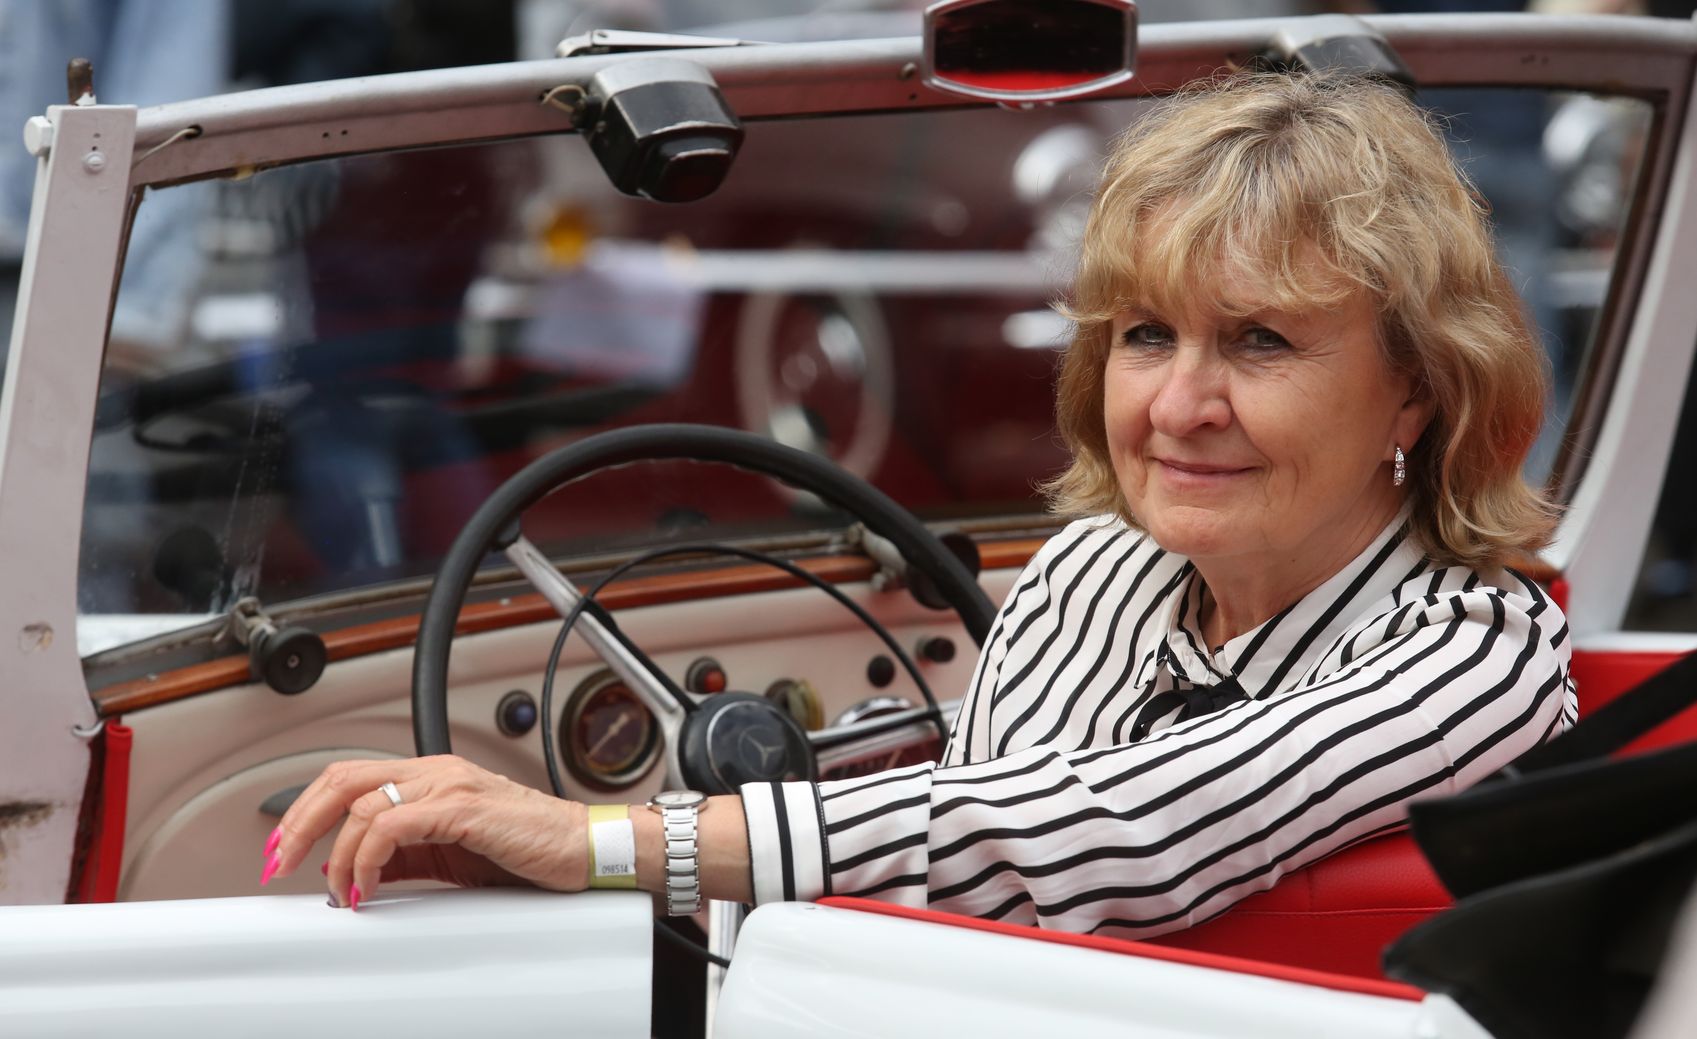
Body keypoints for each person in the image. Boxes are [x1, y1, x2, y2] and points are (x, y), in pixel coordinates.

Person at [263, 71, 1575, 938]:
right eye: (1144, 335)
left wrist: (600, 838)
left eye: (1259, 342)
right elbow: (963, 918)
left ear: (1417, 391)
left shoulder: (1474, 657)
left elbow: (1096, 836)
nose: (1178, 406)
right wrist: (540, 858)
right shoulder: (1091, 578)